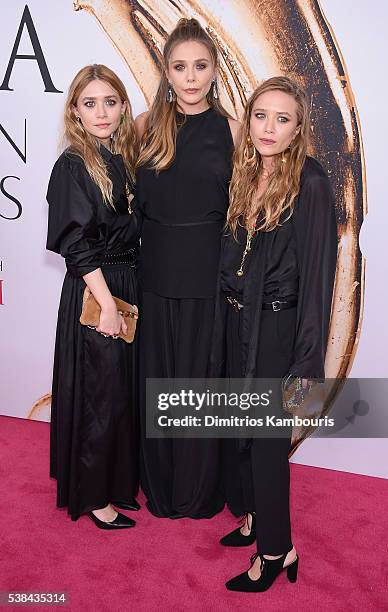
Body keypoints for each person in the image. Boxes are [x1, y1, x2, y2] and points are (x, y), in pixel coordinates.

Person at [210, 76, 337, 590]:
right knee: (242, 431)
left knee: (266, 441)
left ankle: (277, 551)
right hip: (241, 321)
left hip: (281, 328)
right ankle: (258, 517)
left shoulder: (311, 182)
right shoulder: (246, 172)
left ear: (298, 128)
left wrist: (305, 364)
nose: (268, 128)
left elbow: (319, 279)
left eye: (282, 119)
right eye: (261, 115)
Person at [135, 18, 240, 519]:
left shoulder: (235, 132)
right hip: (153, 277)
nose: (191, 77)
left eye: (200, 66)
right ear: (167, 71)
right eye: (180, 67)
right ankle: (161, 488)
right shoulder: (141, 128)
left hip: (207, 279)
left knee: (200, 382)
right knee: (157, 381)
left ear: (215, 70)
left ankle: (198, 493)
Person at [46, 64, 141, 529]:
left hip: (126, 285)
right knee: (99, 397)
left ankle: (119, 484)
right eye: (90, 103)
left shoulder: (121, 159)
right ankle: (95, 497)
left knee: (121, 394)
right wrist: (105, 304)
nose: (101, 112)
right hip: (95, 290)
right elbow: (76, 244)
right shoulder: (72, 165)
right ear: (75, 112)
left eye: (110, 101)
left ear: (123, 107)